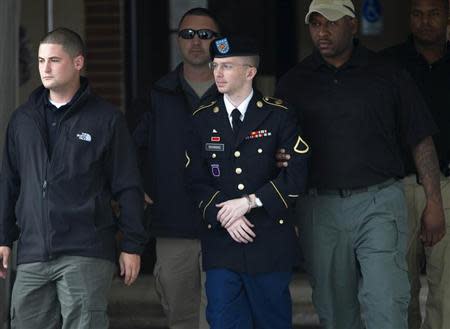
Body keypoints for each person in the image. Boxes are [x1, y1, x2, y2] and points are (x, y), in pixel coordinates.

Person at [275, 0, 446, 328]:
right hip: (319, 206)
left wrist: (434, 203)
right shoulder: (294, 83)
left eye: (332, 23)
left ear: (352, 25)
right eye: (315, 24)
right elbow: (274, 145)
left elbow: (420, 139)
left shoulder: (387, 73)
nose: (322, 32)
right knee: (335, 311)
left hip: (379, 202)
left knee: (387, 304)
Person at [0, 28, 147, 329]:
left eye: (54, 60)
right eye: (41, 60)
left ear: (78, 63)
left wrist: (132, 244)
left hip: (86, 249)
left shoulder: (106, 119)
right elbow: (9, 182)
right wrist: (3, 238)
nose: (45, 68)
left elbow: (128, 185)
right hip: (32, 251)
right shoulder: (22, 120)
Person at [187, 35, 309, 329]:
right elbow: (194, 179)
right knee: (224, 321)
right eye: (216, 65)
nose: (217, 73)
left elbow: (296, 176)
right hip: (222, 243)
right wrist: (224, 214)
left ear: (250, 72)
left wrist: (250, 202)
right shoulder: (203, 119)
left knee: (272, 322)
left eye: (227, 66)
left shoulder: (279, 115)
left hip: (268, 241)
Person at [132, 8, 221, 329]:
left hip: (226, 227)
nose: (195, 42)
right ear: (178, 40)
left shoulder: (236, 92)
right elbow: (132, 148)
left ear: (218, 42)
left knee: (220, 319)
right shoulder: (157, 94)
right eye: (187, 34)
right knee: (181, 320)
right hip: (173, 224)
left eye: (205, 35)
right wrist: (138, 186)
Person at [381, 1, 450, 328]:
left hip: (448, 185)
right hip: (397, 185)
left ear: (447, 18)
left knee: (447, 289)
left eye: (434, 14)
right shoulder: (388, 65)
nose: (425, 22)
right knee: (398, 286)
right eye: (417, 14)